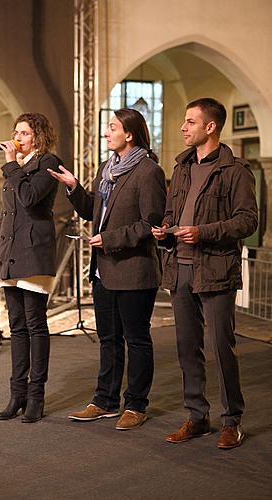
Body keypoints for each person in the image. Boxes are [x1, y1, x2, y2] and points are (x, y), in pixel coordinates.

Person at [49, 108, 167, 430]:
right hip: (103, 271)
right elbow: (92, 212)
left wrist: (109, 238)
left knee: (137, 340)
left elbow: (151, 224)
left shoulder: (148, 172)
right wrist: (74, 187)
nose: (106, 132)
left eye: (112, 127)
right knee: (108, 339)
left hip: (134, 270)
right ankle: (104, 401)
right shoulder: (106, 169)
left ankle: (136, 405)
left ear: (129, 134)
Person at [152, 98, 258, 448]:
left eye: (190, 122)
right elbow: (172, 210)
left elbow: (247, 220)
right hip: (179, 267)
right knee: (187, 348)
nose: (183, 128)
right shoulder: (182, 167)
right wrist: (165, 227)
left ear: (210, 127)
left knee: (221, 346)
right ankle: (196, 416)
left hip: (215, 268)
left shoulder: (235, 170)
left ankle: (232, 421)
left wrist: (203, 231)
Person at [0, 112, 61, 423]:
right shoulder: (17, 168)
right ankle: (17, 394)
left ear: (37, 137)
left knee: (35, 325)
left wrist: (11, 165)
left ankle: (36, 395)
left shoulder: (48, 163)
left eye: (23, 132)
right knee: (17, 326)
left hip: (34, 253)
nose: (17, 137)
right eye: (15, 132)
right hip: (10, 253)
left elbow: (30, 198)